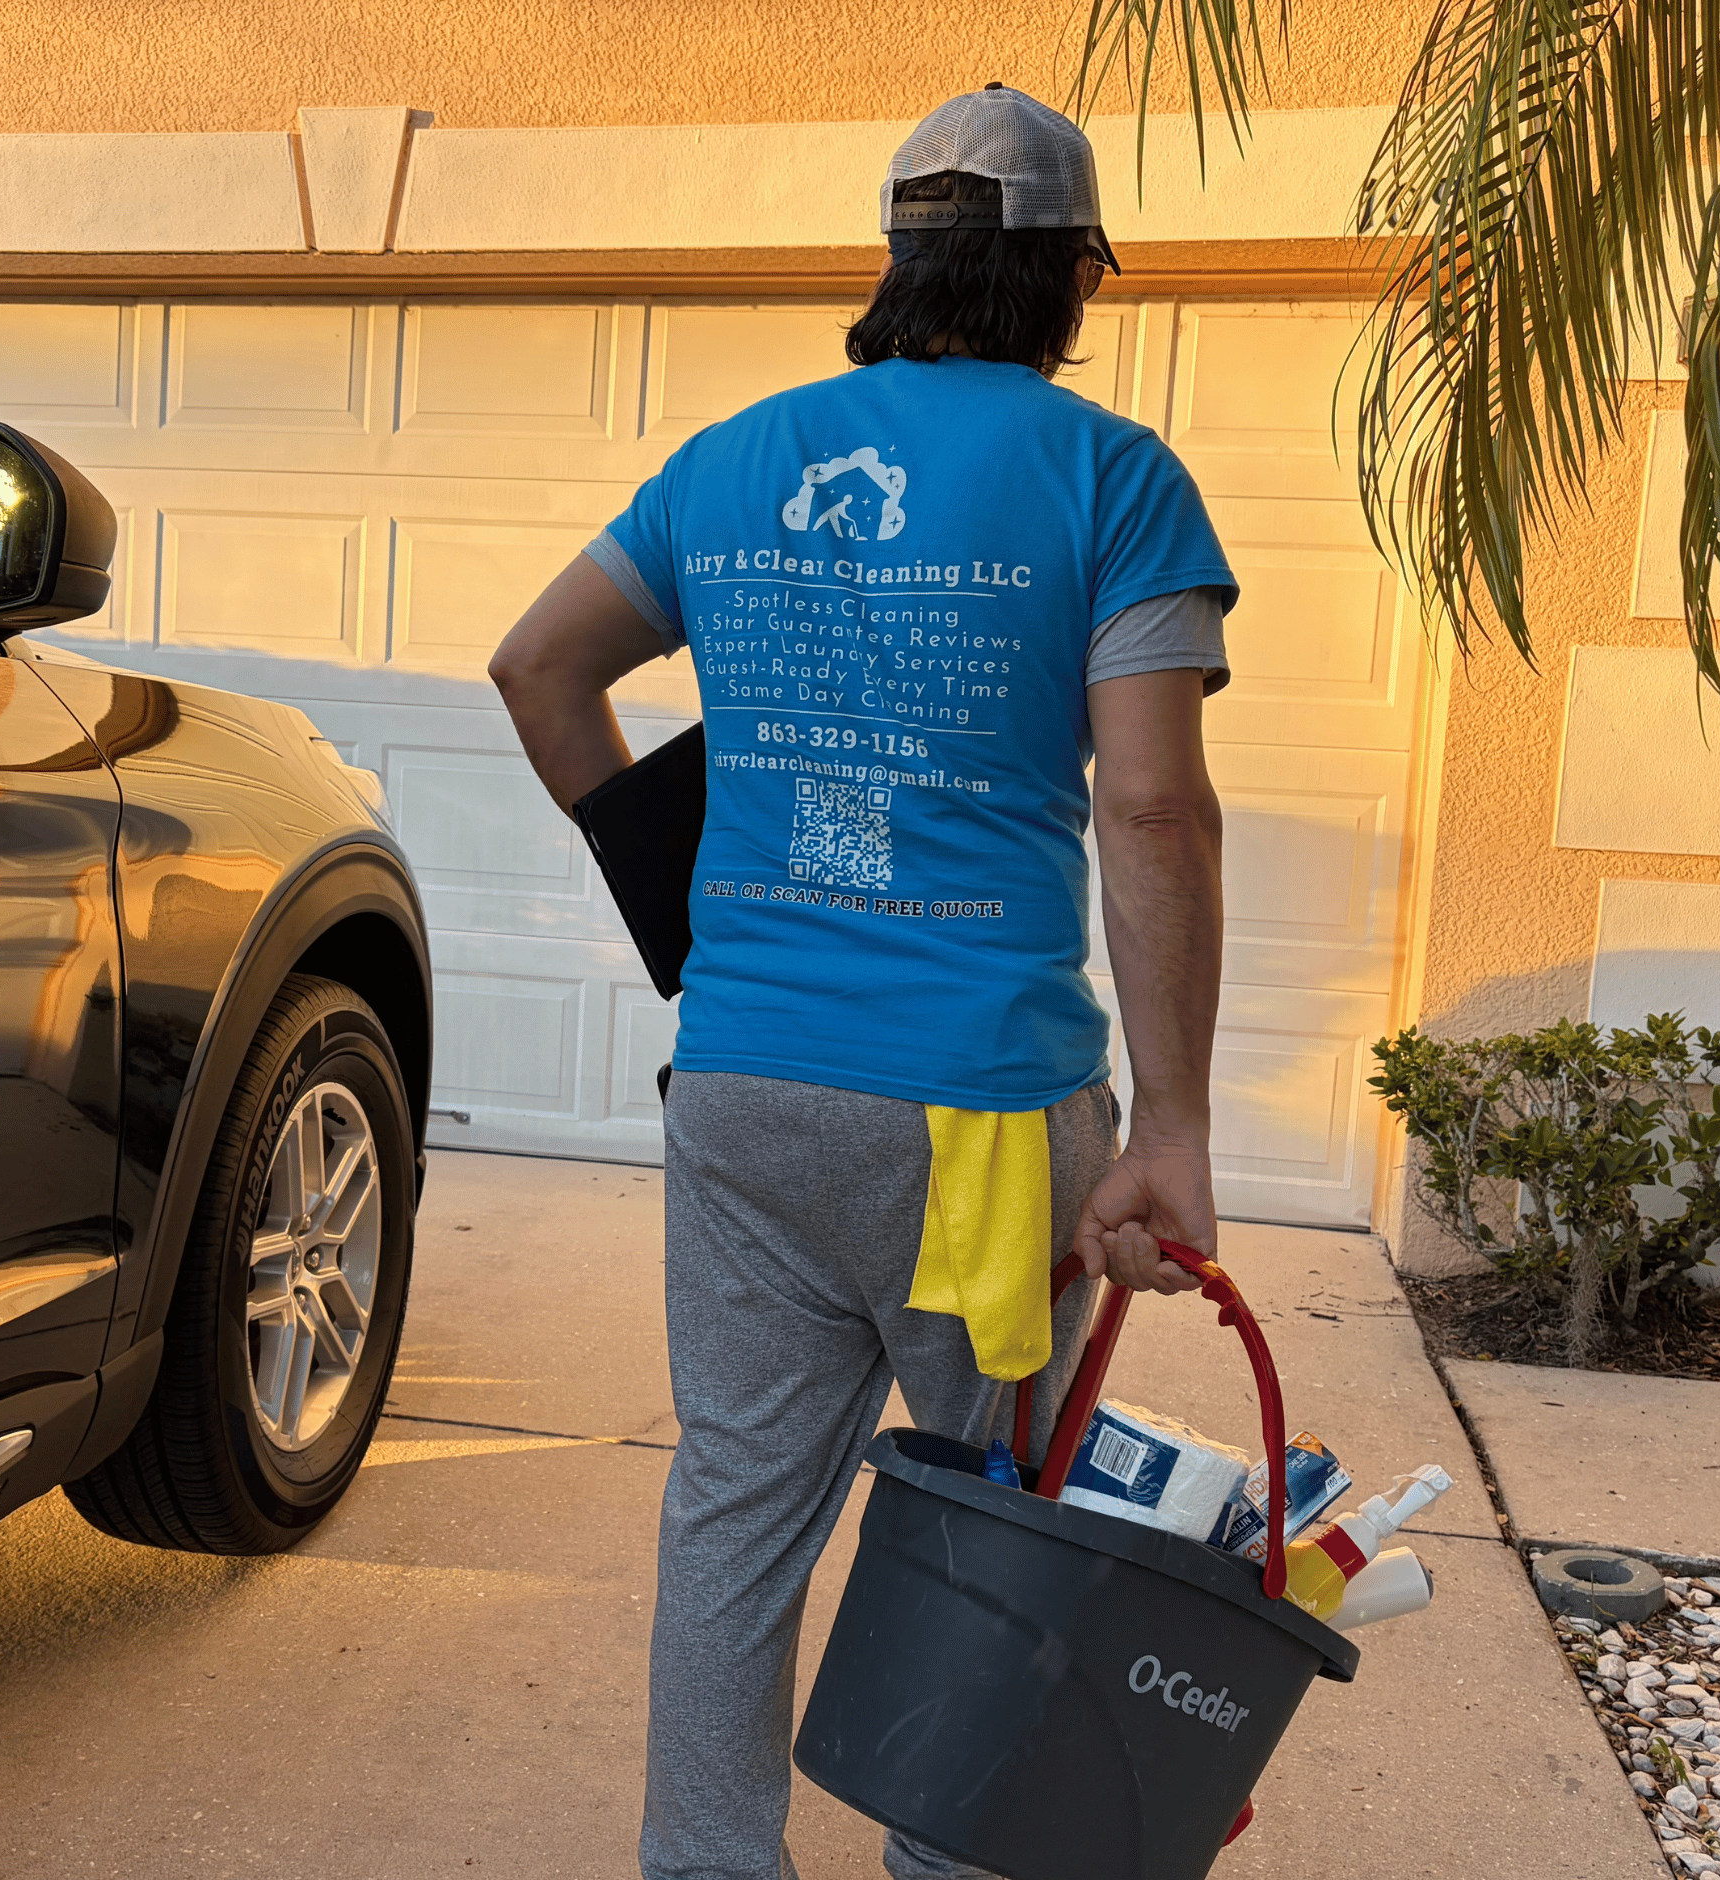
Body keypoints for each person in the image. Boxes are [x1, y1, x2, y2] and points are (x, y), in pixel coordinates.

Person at [490, 84, 1235, 1880]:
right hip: (978, 1117)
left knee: (734, 1519)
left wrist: (675, 897)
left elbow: (538, 670)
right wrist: (1181, 1123)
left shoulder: (737, 459)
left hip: (746, 1090)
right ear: (1067, 278)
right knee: (998, 1531)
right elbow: (1147, 801)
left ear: (901, 262)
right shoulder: (1111, 480)